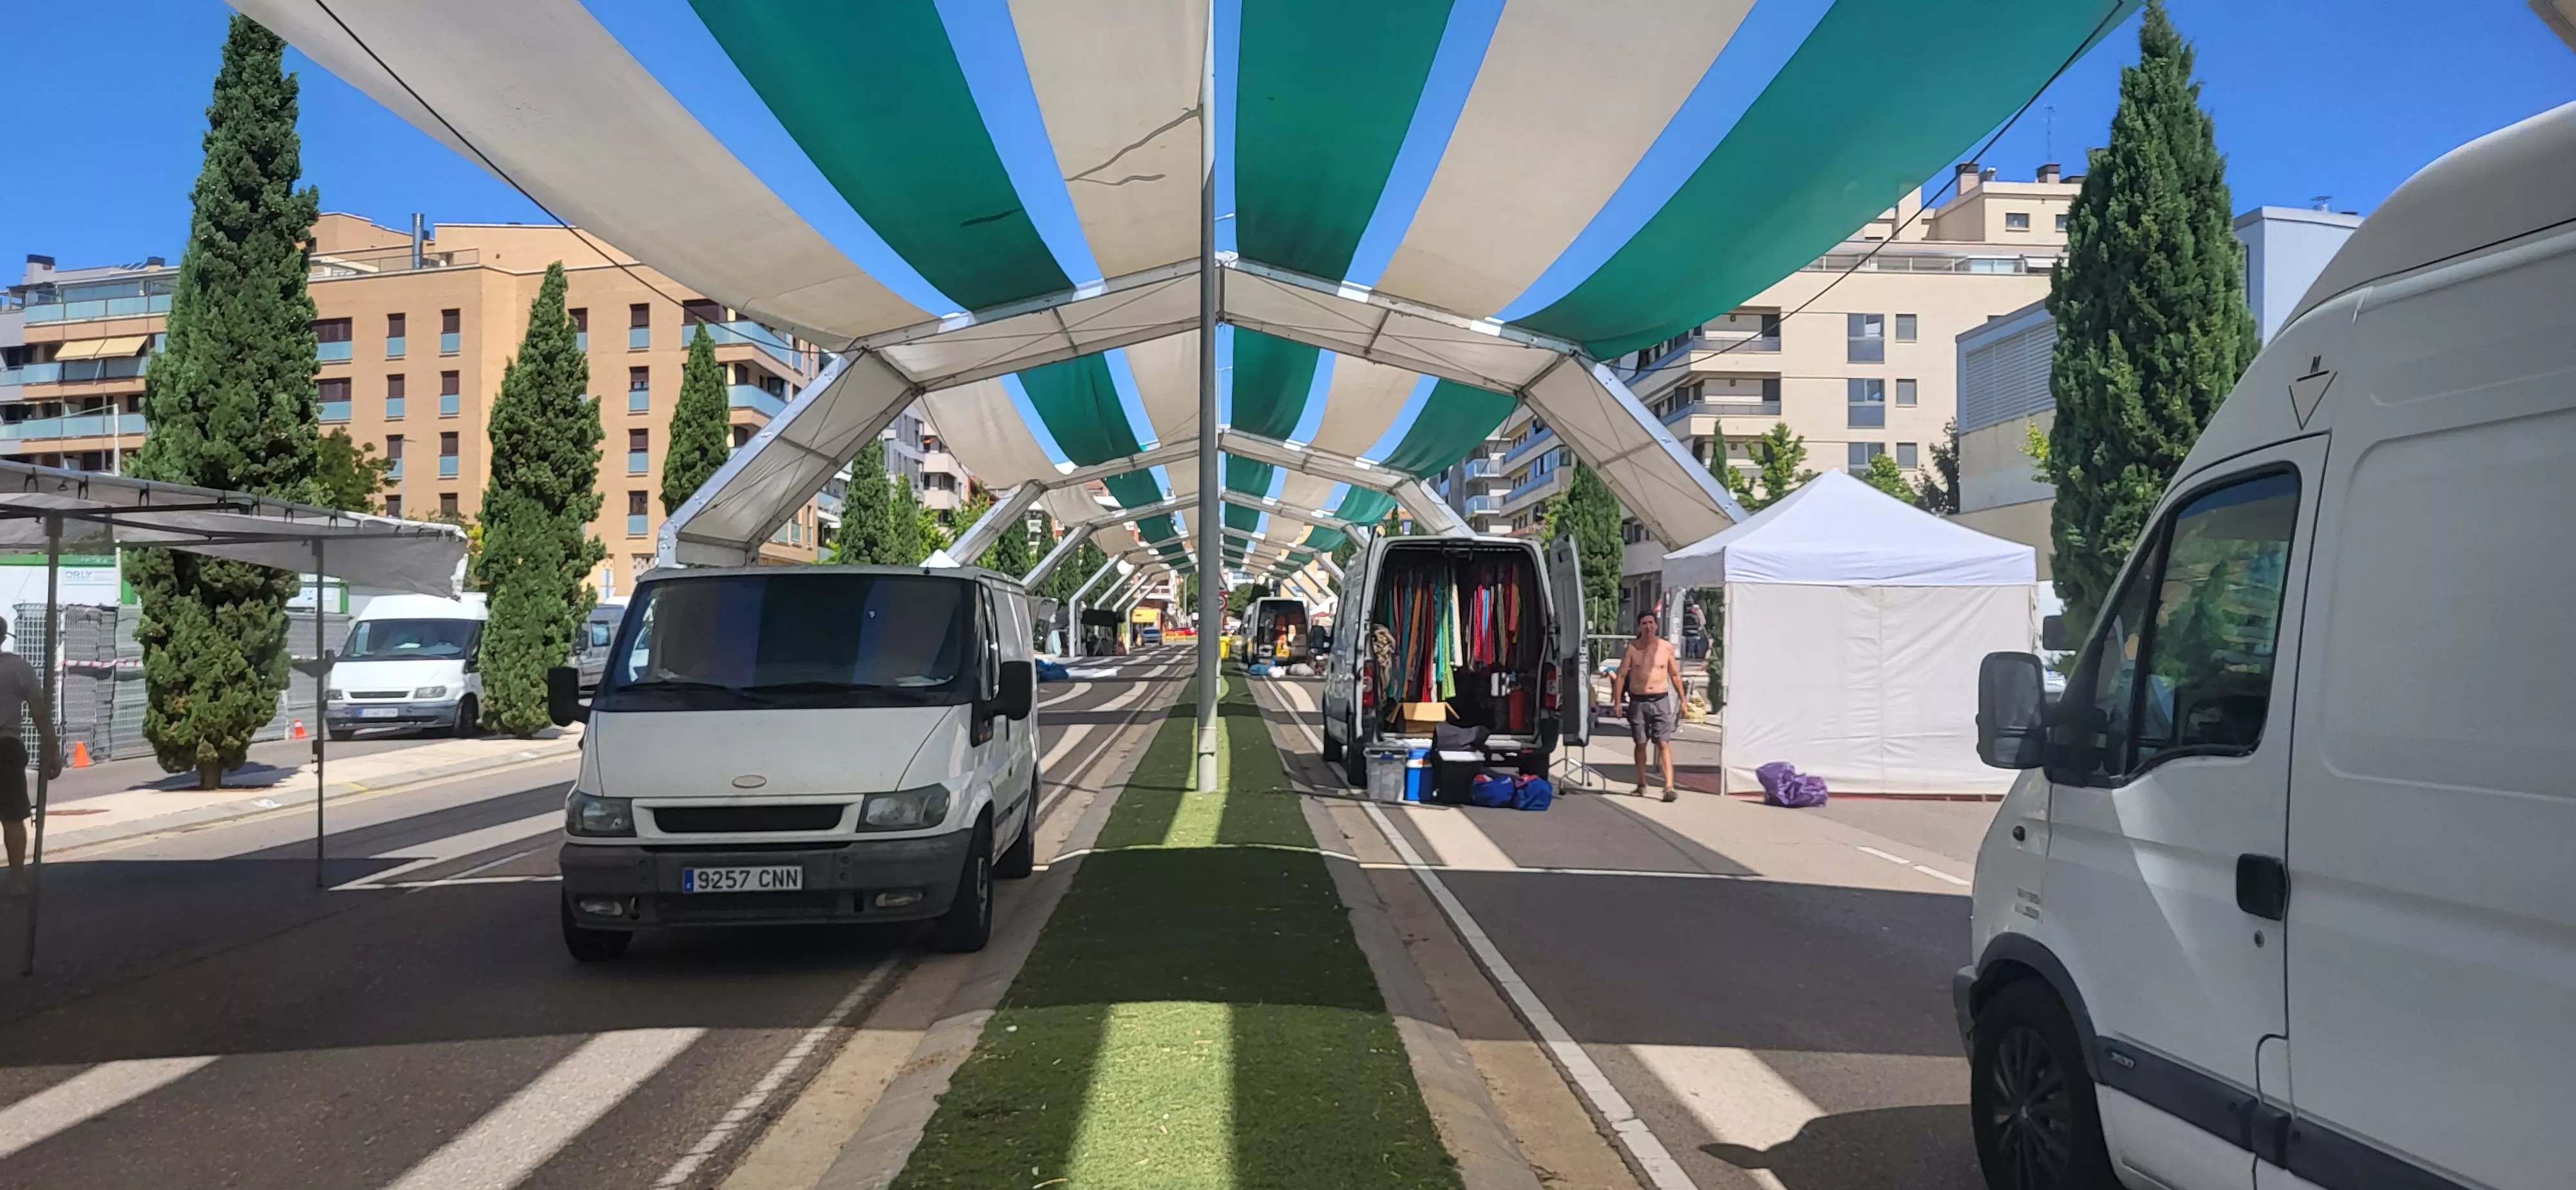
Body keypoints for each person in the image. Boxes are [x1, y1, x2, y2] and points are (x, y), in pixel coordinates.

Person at [0, 623, 62, 894]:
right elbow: (39, 713)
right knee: (13, 817)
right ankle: (16, 877)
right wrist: (51, 751)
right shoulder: (17, 668)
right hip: (6, 747)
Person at [1611, 612, 1686, 800]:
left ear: (1656, 626)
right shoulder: (1633, 649)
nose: (1648, 627)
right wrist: (1617, 702)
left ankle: (1669, 786)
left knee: (1663, 743)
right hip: (1638, 700)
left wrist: (1683, 700)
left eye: (1651, 623)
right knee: (1641, 743)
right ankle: (1642, 783)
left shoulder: (1666, 648)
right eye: (1644, 623)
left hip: (1660, 699)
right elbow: (1621, 676)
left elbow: (1675, 675)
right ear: (1639, 627)